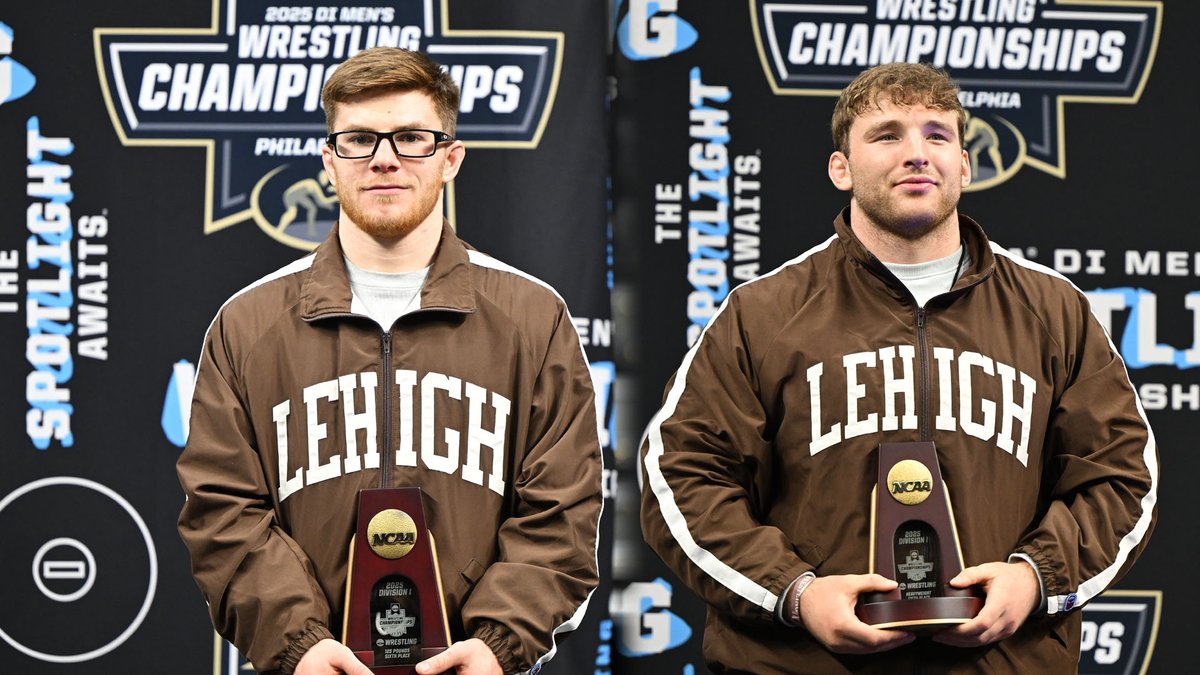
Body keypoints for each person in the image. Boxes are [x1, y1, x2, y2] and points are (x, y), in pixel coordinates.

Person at [639, 62, 1158, 673]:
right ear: (841, 167)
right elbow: (682, 476)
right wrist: (796, 593)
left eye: (937, 135)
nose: (917, 153)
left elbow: (1122, 477)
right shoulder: (763, 313)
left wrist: (1036, 578)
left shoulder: (1053, 310)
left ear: (964, 164)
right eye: (887, 135)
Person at [178, 47, 603, 675]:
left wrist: (496, 646)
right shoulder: (248, 325)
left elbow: (563, 510)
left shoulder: (533, 319)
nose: (383, 158)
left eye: (410, 138)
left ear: (450, 158)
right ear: (330, 160)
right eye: (358, 139)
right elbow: (223, 512)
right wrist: (300, 645)